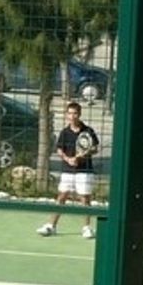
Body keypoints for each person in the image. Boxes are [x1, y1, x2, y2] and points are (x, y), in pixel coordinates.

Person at [39, 100, 98, 239]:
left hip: (85, 170)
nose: (72, 116)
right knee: (62, 196)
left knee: (84, 199)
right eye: (70, 113)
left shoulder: (88, 131)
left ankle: (87, 228)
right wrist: (68, 159)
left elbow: (94, 148)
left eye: (75, 113)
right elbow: (59, 149)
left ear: (79, 114)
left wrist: (83, 155)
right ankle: (51, 226)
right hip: (67, 170)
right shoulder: (64, 132)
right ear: (67, 115)